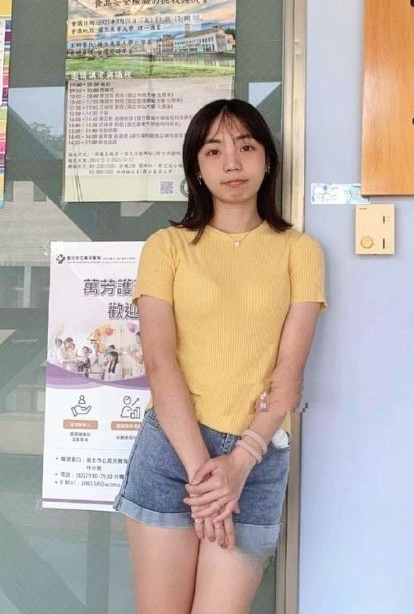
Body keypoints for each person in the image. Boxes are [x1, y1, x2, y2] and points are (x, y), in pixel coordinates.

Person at [114, 99, 326, 614]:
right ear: (197, 167)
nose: (232, 162)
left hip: (256, 453)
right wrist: (204, 476)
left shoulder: (300, 250)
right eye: (214, 151)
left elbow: (289, 373)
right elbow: (160, 362)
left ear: (268, 160)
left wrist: (240, 463)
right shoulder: (166, 246)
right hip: (172, 450)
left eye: (246, 147)